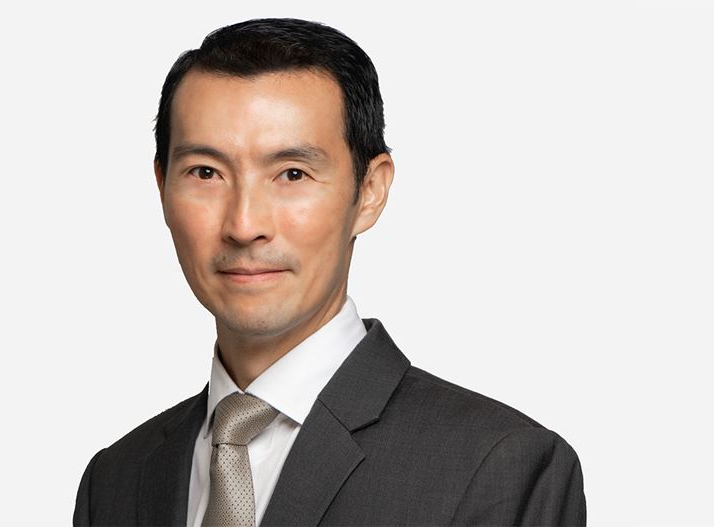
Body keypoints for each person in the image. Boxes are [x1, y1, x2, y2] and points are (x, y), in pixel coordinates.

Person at [73, 17, 586, 527]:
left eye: (292, 174)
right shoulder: (115, 480)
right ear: (162, 186)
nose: (244, 225)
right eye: (205, 173)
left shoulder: (501, 469)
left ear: (370, 192)